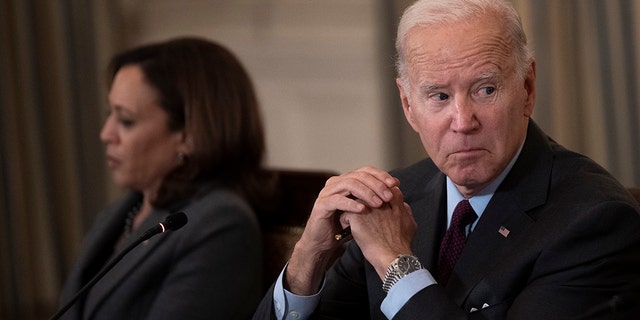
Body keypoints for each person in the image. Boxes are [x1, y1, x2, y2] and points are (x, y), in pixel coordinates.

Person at [252, 0, 640, 319]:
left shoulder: (595, 220)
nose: (462, 121)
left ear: (527, 88)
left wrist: (395, 262)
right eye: (438, 96)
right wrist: (308, 257)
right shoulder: (397, 197)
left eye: (485, 90)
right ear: (408, 104)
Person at [57, 37, 272, 319]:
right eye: (110, 114)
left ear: (189, 135)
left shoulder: (221, 223)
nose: (106, 134)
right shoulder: (124, 210)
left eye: (126, 120)